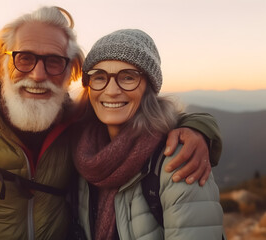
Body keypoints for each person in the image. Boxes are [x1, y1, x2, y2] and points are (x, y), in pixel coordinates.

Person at [0, 6, 222, 240]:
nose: (38, 74)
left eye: (53, 61)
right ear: (1, 65)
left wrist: (198, 129)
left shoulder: (80, 127)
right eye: (25, 58)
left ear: (70, 72)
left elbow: (149, 115)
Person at [73, 29, 224, 240]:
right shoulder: (83, 153)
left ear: (148, 87)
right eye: (99, 77)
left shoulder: (178, 159)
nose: (112, 90)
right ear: (88, 85)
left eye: (127, 77)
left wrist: (200, 129)